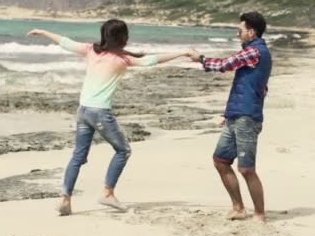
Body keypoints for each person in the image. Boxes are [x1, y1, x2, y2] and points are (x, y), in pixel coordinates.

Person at [28, 19, 192, 216]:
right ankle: (108, 193)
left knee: (78, 156)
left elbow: (65, 42)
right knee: (123, 151)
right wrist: (183, 52)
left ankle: (65, 200)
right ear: (123, 38)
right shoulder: (122, 59)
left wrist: (44, 31)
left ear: (104, 35)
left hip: (83, 111)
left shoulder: (91, 50)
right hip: (100, 113)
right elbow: (152, 60)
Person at [189, 11, 272, 222]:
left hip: (246, 117)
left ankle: (260, 214)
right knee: (220, 160)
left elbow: (224, 65)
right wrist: (229, 114)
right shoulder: (254, 53)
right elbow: (257, 86)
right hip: (236, 114)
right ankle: (238, 207)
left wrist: (201, 59)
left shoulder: (255, 52)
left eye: (240, 30)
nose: (238, 34)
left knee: (246, 169)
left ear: (251, 32)